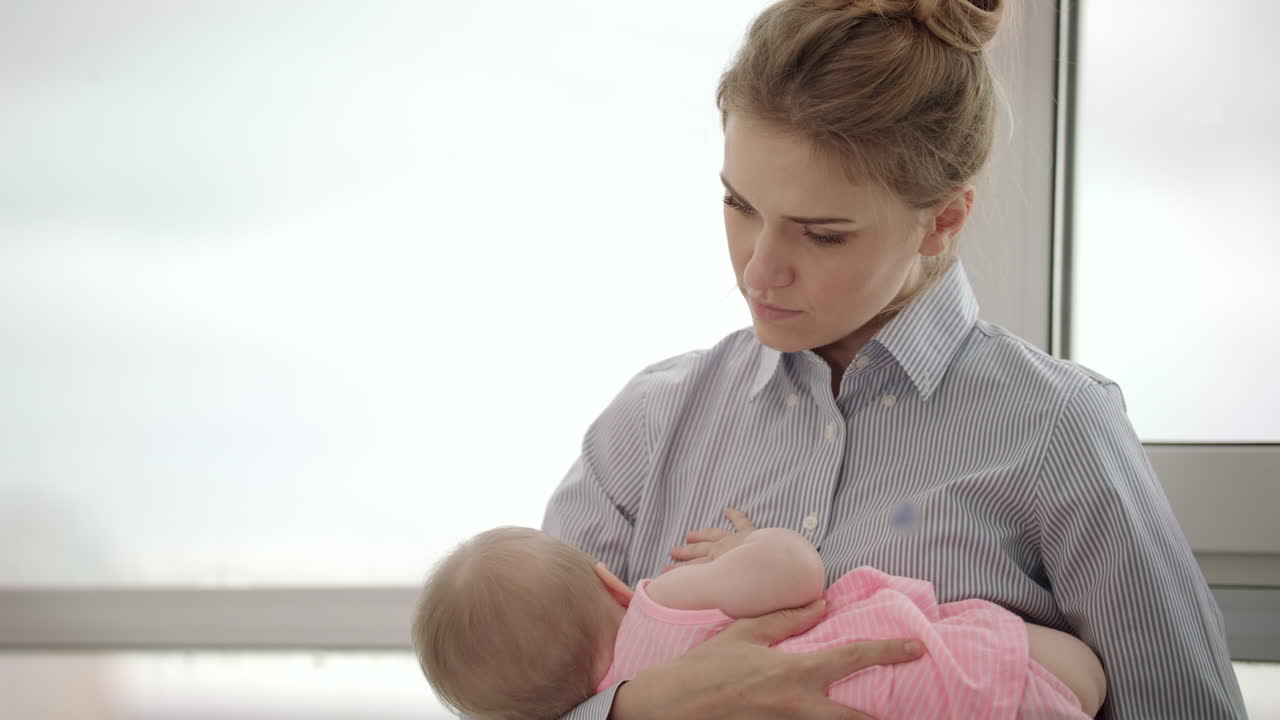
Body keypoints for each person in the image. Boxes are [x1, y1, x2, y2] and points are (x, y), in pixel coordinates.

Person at [542, 0, 1247, 718]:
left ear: (943, 220)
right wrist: (640, 709)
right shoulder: (648, 427)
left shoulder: (1059, 429)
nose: (757, 272)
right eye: (740, 204)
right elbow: (513, 693)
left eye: (821, 234)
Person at [413, 523, 1105, 720]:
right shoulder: (663, 602)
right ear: (610, 584)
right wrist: (740, 551)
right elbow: (797, 574)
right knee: (1085, 675)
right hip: (935, 672)